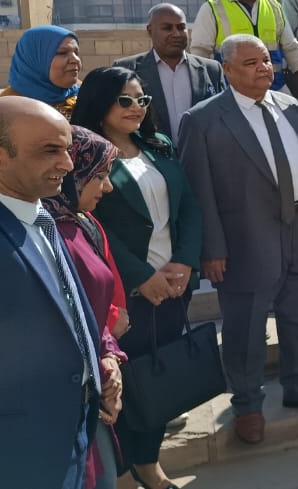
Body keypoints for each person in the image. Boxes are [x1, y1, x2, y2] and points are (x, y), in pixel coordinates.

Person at [178, 35, 298, 445]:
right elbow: (198, 193)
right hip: (246, 238)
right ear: (227, 70)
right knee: (246, 326)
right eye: (251, 63)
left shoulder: (289, 105)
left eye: (266, 60)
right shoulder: (203, 120)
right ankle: (248, 404)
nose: (263, 68)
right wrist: (211, 249)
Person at [71, 66, 203, 489]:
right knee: (125, 385)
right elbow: (91, 226)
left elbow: (188, 206)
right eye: (124, 100)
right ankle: (126, 469)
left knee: (158, 379)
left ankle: (149, 462)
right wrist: (141, 276)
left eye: (142, 100)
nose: (136, 108)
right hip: (126, 294)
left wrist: (185, 262)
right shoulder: (86, 153)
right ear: (101, 103)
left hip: (174, 285)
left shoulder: (158, 144)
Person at [0, 96, 101, 489]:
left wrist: (97, 364)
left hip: (69, 433)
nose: (68, 164)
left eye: (67, 149)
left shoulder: (39, 214)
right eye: (49, 151)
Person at [48, 126, 128, 489]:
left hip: (94, 384)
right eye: (99, 176)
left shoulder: (79, 221)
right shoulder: (45, 232)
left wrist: (109, 355)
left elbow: (88, 308)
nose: (107, 187)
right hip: (63, 399)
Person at [190, 0, 298, 98]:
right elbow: (200, 55)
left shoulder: (273, 5)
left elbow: (291, 48)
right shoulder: (213, 8)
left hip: (275, 91)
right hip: (232, 96)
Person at [114, 3, 225, 140]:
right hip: (150, 151)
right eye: (167, 28)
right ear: (150, 31)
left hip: (202, 151)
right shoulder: (127, 68)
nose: (176, 34)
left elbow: (222, 115)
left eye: (181, 27)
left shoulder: (212, 69)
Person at [2, 24, 82, 118]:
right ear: (34, 59)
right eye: (62, 53)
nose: (75, 59)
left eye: (76, 53)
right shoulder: (7, 109)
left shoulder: (86, 92)